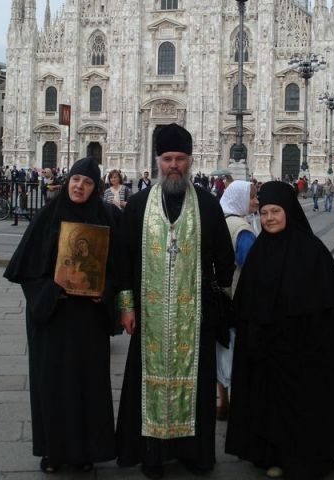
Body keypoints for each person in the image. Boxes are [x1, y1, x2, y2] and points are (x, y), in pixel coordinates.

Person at [116, 123, 235, 479]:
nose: (173, 165)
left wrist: (216, 295)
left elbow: (225, 259)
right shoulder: (138, 206)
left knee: (197, 385)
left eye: (180, 159)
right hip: (149, 318)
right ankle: (153, 454)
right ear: (157, 161)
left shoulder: (208, 206)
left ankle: (194, 454)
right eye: (167, 158)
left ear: (190, 161)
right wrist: (126, 306)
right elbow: (121, 260)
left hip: (194, 319)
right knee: (147, 382)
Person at [226, 181, 334, 480]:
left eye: (276, 211)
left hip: (303, 351)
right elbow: (246, 302)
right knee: (268, 404)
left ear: (289, 212)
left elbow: (326, 310)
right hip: (267, 350)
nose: (270, 218)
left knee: (302, 405)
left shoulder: (312, 252)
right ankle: (271, 455)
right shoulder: (260, 251)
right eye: (264, 212)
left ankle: (306, 457)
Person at [3, 158, 117, 473]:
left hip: (89, 320)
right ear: (68, 182)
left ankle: (85, 452)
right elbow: (26, 272)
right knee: (52, 384)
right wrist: (52, 290)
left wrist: (103, 293)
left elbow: (118, 269)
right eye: (76, 179)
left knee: (88, 385)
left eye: (88, 182)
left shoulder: (106, 219)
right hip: (52, 318)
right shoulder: (47, 217)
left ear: (96, 188)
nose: (80, 186)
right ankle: (53, 451)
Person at [216, 180, 258, 421]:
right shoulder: (241, 228)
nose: (257, 201)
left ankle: (224, 402)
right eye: (253, 197)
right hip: (238, 296)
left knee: (222, 349)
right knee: (236, 350)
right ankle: (241, 402)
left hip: (221, 297)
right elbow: (251, 265)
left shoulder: (220, 219)